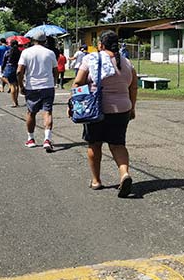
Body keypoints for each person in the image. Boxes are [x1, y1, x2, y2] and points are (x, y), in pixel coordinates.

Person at [73, 30, 138, 197]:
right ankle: (124, 174)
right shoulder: (127, 62)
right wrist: (132, 108)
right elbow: (133, 87)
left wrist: (74, 103)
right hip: (122, 109)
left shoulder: (91, 59)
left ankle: (96, 180)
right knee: (118, 144)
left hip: (97, 109)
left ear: (100, 45)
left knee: (94, 144)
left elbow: (78, 82)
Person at [17, 31, 58, 152]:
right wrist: (54, 81)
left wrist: (21, 86)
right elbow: (55, 70)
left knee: (31, 112)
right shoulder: (50, 53)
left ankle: (31, 139)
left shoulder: (26, 52)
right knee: (47, 112)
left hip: (32, 86)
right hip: (48, 86)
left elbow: (19, 71)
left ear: (32, 40)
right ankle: (47, 139)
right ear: (45, 41)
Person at [2, 39, 21, 107]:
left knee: (12, 85)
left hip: (10, 68)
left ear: (11, 44)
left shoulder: (8, 52)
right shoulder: (20, 52)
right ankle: (16, 100)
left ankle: (14, 102)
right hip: (18, 68)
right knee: (17, 85)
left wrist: (2, 68)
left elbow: (4, 61)